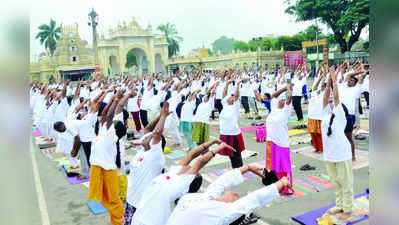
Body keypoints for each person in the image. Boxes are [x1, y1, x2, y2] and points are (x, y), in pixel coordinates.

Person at [131, 139, 235, 225]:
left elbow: (201, 161)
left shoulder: (183, 183)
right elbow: (192, 155)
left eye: (195, 172)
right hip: (138, 217)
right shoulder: (174, 171)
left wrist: (219, 148)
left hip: (152, 222)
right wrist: (212, 142)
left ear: (191, 178)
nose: (191, 167)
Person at [166, 165, 293, 225]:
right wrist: (247, 168)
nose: (235, 194)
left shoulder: (215, 209)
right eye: (236, 197)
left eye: (236, 196)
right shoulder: (209, 202)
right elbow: (222, 183)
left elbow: (250, 200)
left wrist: (280, 183)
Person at [123, 103, 169, 225]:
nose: (144, 138)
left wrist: (164, 116)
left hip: (142, 203)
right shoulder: (144, 150)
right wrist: (160, 116)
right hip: (132, 199)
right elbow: (148, 129)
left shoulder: (156, 155)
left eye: (148, 138)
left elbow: (157, 133)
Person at [87, 90, 127, 225]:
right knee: (105, 199)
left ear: (114, 129)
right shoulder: (105, 129)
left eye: (114, 123)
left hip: (107, 171)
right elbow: (105, 114)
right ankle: (117, 219)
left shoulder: (111, 135)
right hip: (98, 167)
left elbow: (109, 116)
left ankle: (120, 219)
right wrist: (111, 100)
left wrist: (116, 100)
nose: (111, 122)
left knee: (113, 200)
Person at [321, 67, 354, 222]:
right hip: (330, 155)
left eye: (334, 105)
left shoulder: (340, 117)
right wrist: (328, 82)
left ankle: (347, 209)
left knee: (345, 183)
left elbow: (336, 98)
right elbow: (326, 98)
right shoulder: (326, 116)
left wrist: (335, 79)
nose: (331, 104)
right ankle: (340, 205)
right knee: (335, 183)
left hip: (342, 154)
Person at [265, 83, 294, 195]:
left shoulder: (285, 111)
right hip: (271, 141)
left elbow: (289, 99)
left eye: (283, 100)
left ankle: (288, 187)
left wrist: (289, 90)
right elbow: (273, 96)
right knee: (276, 167)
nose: (281, 101)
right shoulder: (274, 109)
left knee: (285, 167)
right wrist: (283, 88)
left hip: (282, 143)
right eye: (280, 100)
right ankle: (280, 185)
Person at [337, 61, 367, 160]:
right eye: (348, 80)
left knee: (349, 137)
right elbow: (349, 74)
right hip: (340, 115)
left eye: (351, 81)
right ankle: (343, 153)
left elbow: (361, 78)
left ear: (355, 83)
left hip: (349, 116)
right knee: (339, 136)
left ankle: (353, 155)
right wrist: (358, 72)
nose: (349, 81)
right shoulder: (343, 87)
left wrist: (362, 71)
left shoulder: (356, 89)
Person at [219, 78, 246, 168]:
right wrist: (226, 83)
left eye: (232, 97)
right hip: (224, 133)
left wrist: (237, 85)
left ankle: (239, 169)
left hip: (233, 134)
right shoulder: (225, 105)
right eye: (230, 96)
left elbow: (237, 95)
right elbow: (224, 93)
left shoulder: (235, 106)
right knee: (230, 153)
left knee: (236, 153)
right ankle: (235, 168)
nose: (231, 98)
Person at [307, 66, 327, 153]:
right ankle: (316, 147)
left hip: (320, 117)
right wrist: (321, 76)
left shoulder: (325, 94)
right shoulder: (314, 93)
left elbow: (324, 84)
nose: (322, 87)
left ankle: (322, 148)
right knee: (312, 133)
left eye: (323, 86)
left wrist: (324, 78)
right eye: (321, 86)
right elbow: (315, 86)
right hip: (311, 116)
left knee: (319, 134)